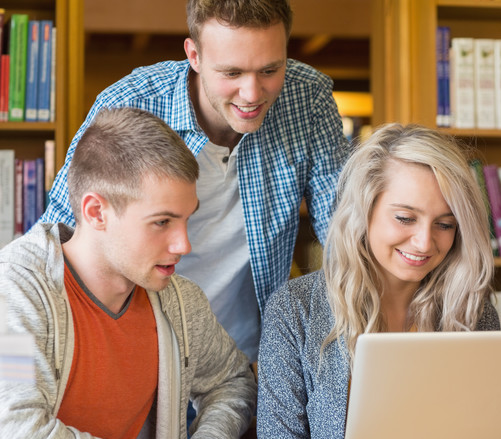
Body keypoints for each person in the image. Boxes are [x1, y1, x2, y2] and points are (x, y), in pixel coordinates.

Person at [40, 0, 349, 364]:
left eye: (270, 69)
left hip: (245, 360)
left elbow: (345, 233)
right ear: (194, 55)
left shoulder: (307, 98)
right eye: (231, 73)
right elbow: (58, 237)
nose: (252, 94)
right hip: (137, 351)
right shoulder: (130, 103)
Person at [0, 107, 255, 439]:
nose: (183, 244)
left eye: (187, 219)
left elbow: (233, 383)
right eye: (162, 222)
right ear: (96, 212)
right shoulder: (15, 290)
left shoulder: (180, 300)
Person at [255, 123, 501, 439]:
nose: (424, 242)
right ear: (364, 211)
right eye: (405, 218)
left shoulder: (472, 311)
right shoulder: (296, 308)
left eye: (445, 224)